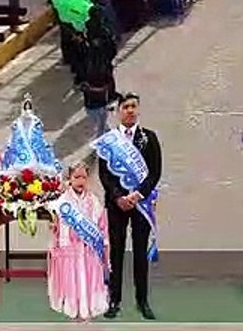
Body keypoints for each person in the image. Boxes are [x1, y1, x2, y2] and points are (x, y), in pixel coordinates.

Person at [99, 94, 163, 320]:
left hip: (141, 204)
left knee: (139, 253)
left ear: (138, 110)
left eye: (133, 106)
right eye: (125, 107)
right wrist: (118, 197)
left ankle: (142, 300)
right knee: (115, 253)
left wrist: (137, 195)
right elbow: (104, 174)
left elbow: (155, 172)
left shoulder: (150, 138)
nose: (130, 110)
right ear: (118, 111)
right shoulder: (109, 140)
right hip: (117, 205)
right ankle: (114, 300)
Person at [48, 162, 109, 321]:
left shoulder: (94, 201)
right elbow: (56, 225)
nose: (80, 181)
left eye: (84, 177)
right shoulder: (62, 202)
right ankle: (73, 308)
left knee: (89, 277)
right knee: (72, 278)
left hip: (89, 249)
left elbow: (102, 224)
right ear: (69, 179)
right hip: (70, 249)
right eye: (77, 177)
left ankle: (90, 307)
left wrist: (102, 244)